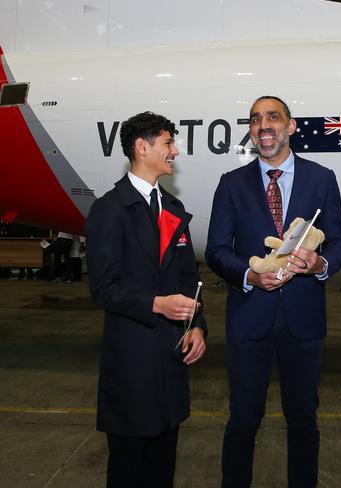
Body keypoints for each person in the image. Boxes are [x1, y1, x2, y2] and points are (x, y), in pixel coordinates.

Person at [206, 95, 341, 488]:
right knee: (242, 420)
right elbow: (216, 250)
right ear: (251, 131)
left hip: (303, 321)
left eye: (273, 117)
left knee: (303, 419)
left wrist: (320, 265)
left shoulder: (322, 179)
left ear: (291, 126)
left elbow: (339, 244)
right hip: (249, 318)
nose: (263, 125)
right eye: (255, 120)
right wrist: (250, 277)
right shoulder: (231, 184)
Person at [86, 112, 207, 488]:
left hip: (170, 358)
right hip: (132, 361)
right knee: (127, 467)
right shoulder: (109, 209)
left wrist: (197, 326)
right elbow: (103, 288)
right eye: (168, 143)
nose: (175, 151)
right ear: (142, 147)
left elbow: (189, 278)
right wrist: (157, 304)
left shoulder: (172, 208)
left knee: (162, 464)